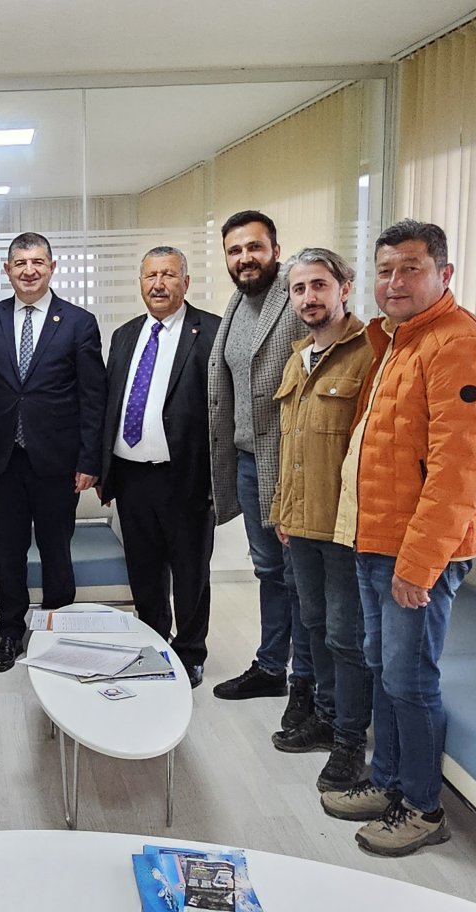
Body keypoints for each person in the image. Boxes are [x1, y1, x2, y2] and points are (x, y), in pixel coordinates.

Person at [320, 219, 476, 857]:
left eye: (411, 268)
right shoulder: (398, 340)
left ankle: (424, 808)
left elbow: (461, 472)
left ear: (443, 274)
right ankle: (389, 783)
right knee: (384, 670)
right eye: (385, 270)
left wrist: (420, 564)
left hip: (415, 554)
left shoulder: (462, 345)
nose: (395, 282)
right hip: (376, 539)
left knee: (410, 678)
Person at [0, 232, 106, 672]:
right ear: (7, 270)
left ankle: (57, 633)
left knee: (55, 550)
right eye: (20, 263)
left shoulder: (79, 322)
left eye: (37, 262)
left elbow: (93, 398)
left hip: (58, 461)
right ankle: (10, 632)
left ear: (52, 268)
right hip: (3, 460)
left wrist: (89, 460)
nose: (29, 270)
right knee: (7, 551)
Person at [266, 250, 374, 792]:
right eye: (298, 289)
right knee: (313, 625)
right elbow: (291, 447)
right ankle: (327, 718)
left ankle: (351, 739)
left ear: (344, 288)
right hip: (302, 523)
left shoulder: (370, 354)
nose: (308, 298)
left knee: (344, 636)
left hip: (346, 527)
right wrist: (281, 510)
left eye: (319, 286)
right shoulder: (299, 359)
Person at [208, 210, 313, 728]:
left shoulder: (295, 294)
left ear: (275, 249)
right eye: (235, 250)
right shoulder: (238, 302)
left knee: (300, 579)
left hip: (292, 465)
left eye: (254, 247)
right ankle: (272, 667)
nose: (245, 257)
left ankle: (306, 684)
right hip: (250, 462)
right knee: (269, 571)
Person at [99, 247, 220, 687]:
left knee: (190, 572)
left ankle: (190, 652)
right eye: (150, 276)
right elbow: (111, 403)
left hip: (185, 476)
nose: (158, 284)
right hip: (131, 475)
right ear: (140, 283)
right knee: (144, 571)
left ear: (185, 282)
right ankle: (153, 641)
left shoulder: (210, 332)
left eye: (168, 275)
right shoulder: (125, 335)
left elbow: (221, 409)